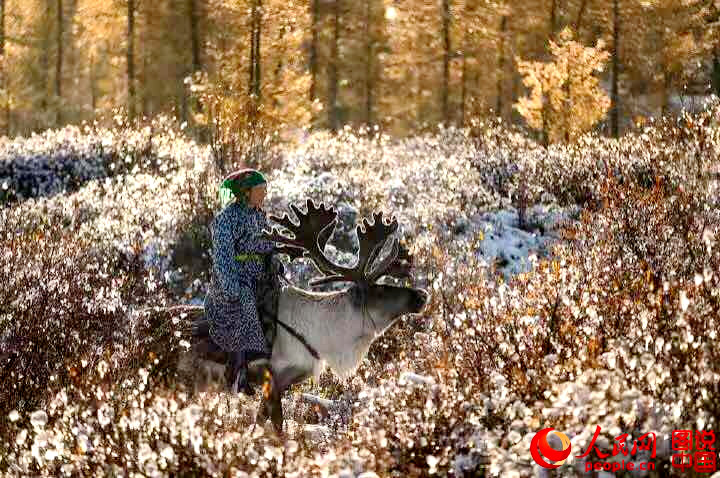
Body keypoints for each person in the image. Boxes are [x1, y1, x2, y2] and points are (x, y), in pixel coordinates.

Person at [204, 168, 275, 394]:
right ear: (246, 192)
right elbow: (224, 259)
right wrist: (232, 288)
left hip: (261, 280)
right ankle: (240, 373)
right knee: (245, 305)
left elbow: (269, 247)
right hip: (235, 284)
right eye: (260, 190)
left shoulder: (260, 216)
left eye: (265, 189)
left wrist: (275, 264)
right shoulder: (225, 220)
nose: (265, 194)